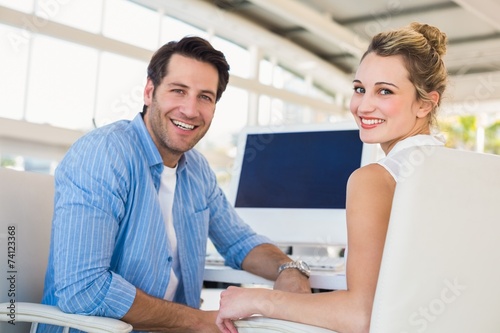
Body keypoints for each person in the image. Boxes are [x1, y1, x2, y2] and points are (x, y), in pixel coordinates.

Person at [40, 36, 311, 333]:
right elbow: (83, 288)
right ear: (149, 92)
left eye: (205, 97)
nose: (191, 110)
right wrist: (198, 321)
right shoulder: (105, 154)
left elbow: (239, 242)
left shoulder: (196, 169)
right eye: (178, 91)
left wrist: (289, 269)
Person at [216, 22, 448, 333]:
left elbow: (361, 316)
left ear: (425, 103)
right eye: (359, 89)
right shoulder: (457, 168)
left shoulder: (375, 179)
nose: (364, 106)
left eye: (385, 91)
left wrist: (257, 300)